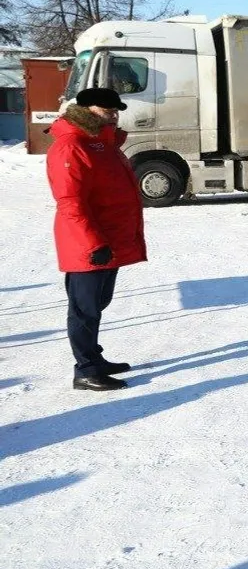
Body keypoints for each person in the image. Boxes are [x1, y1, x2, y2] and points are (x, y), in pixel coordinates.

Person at [46, 88, 146, 391]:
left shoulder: (103, 144)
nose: (114, 114)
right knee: (84, 308)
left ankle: (94, 358)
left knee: (98, 303)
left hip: (107, 240)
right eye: (107, 109)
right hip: (89, 244)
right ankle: (86, 370)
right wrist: (93, 244)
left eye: (116, 109)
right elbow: (70, 202)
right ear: (87, 110)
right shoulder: (73, 146)